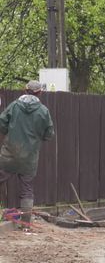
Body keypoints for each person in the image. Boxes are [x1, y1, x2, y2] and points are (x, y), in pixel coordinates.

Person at [0, 80, 54, 228]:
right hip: (29, 158)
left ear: (25, 90)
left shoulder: (14, 106)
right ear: (40, 93)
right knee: (27, 190)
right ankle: (25, 224)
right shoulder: (43, 111)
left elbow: (2, 124)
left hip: (9, 154)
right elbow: (49, 134)